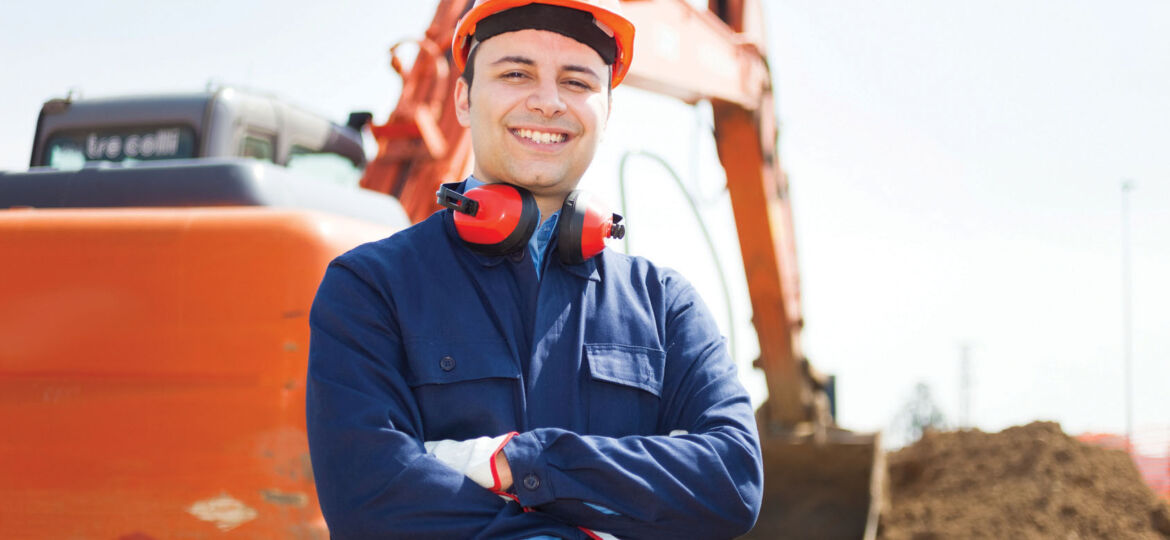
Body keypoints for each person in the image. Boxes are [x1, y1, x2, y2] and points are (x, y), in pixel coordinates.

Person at [305, 1, 763, 538]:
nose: (547, 102)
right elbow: (372, 502)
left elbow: (732, 481)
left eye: (576, 81)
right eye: (516, 73)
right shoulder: (369, 289)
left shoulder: (666, 305)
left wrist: (521, 463)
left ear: (607, 110)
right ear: (462, 98)